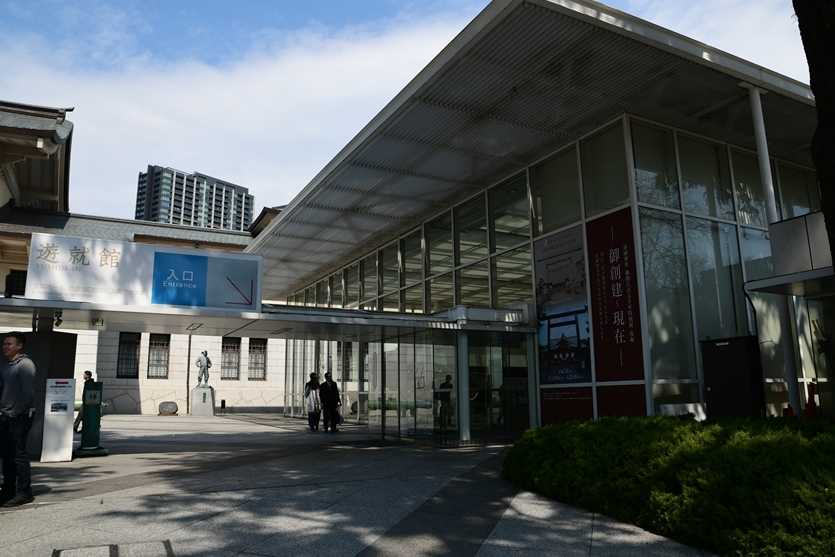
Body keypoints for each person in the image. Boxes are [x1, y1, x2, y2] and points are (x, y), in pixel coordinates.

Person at [0, 331, 36, 507]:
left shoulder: (25, 365)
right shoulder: (6, 365)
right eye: (4, 344)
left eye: (9, 344)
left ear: (19, 346)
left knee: (19, 455)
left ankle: (24, 492)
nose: (5, 347)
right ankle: (7, 490)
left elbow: (28, 394)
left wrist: (16, 412)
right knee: (7, 455)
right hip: (5, 415)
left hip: (19, 417)